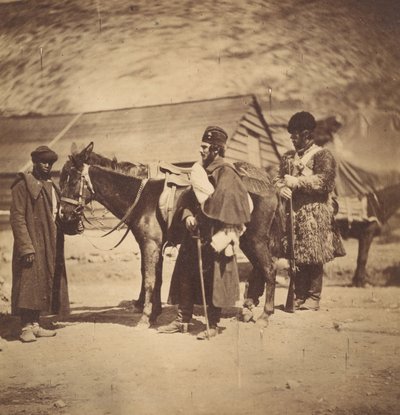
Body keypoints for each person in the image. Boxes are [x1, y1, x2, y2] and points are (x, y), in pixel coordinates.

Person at [158, 126, 251, 339]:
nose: (200, 150)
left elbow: (224, 203)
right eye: (201, 146)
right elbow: (190, 198)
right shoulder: (199, 170)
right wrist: (187, 216)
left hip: (216, 237)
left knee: (214, 280)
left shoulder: (226, 173)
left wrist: (200, 219)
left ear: (216, 150)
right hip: (195, 235)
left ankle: (213, 324)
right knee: (184, 274)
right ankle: (183, 320)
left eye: (204, 147)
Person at [275, 111, 345, 311]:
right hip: (293, 213)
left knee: (314, 255)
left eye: (295, 135)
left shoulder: (323, 155)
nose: (292, 139)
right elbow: (277, 179)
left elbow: (325, 181)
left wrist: (297, 181)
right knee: (296, 255)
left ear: (306, 134)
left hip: (315, 214)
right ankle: (298, 295)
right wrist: (281, 188)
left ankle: (313, 297)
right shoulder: (288, 157)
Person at [10, 145, 69, 342]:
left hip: (49, 242)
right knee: (28, 281)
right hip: (32, 240)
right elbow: (17, 217)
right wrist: (26, 246)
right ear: (34, 162)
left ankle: (35, 324)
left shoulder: (52, 186)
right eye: (43, 161)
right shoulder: (22, 185)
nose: (46, 165)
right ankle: (25, 327)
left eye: (50, 162)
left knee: (42, 282)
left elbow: (56, 215)